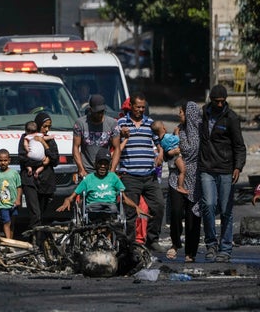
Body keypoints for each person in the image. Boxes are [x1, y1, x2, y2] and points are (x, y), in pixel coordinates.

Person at [199, 84, 246, 263]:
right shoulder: (203, 115)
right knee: (209, 205)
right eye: (216, 101)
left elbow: (239, 146)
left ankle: (225, 248)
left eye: (222, 102)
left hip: (226, 169)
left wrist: (238, 167)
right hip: (206, 168)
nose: (220, 105)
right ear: (211, 100)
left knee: (226, 209)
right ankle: (211, 244)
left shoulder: (231, 118)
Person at [116, 92, 165, 252]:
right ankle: (130, 244)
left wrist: (160, 154)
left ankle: (152, 239)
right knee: (130, 212)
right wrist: (121, 134)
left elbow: (159, 143)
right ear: (131, 106)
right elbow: (114, 142)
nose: (140, 110)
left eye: (143, 107)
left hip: (149, 176)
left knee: (158, 205)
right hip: (130, 176)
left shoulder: (150, 123)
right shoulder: (122, 122)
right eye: (138, 107)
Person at [56, 150, 144, 223]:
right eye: (100, 163)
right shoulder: (88, 178)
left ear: (108, 166)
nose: (102, 166)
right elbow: (72, 196)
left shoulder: (113, 177)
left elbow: (124, 198)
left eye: (105, 164)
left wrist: (136, 207)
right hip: (92, 208)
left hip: (110, 209)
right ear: (95, 165)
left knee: (113, 216)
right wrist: (67, 200)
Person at [167, 101, 202, 263]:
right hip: (177, 175)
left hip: (195, 177)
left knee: (192, 215)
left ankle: (191, 252)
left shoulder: (203, 131)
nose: (178, 115)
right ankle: (175, 242)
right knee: (175, 211)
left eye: (181, 112)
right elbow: (169, 150)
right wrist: (171, 152)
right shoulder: (177, 130)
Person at [18, 112, 59, 236]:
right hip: (30, 180)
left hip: (45, 182)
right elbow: (22, 158)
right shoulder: (26, 138)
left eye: (49, 127)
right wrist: (43, 161)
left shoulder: (49, 140)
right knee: (35, 213)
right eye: (44, 126)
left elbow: (55, 159)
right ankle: (36, 242)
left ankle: (36, 240)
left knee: (41, 213)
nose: (47, 130)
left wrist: (44, 144)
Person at [72, 94, 121, 179]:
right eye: (97, 112)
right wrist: (81, 169)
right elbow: (76, 147)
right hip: (87, 169)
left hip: (105, 169)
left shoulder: (112, 123)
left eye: (102, 112)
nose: (99, 115)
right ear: (90, 110)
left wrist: (112, 170)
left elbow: (117, 148)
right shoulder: (80, 123)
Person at [151, 120, 188, 194]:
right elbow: (176, 140)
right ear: (163, 128)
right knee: (183, 171)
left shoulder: (161, 140)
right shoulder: (167, 137)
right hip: (176, 157)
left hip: (171, 158)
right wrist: (177, 133)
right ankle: (180, 186)